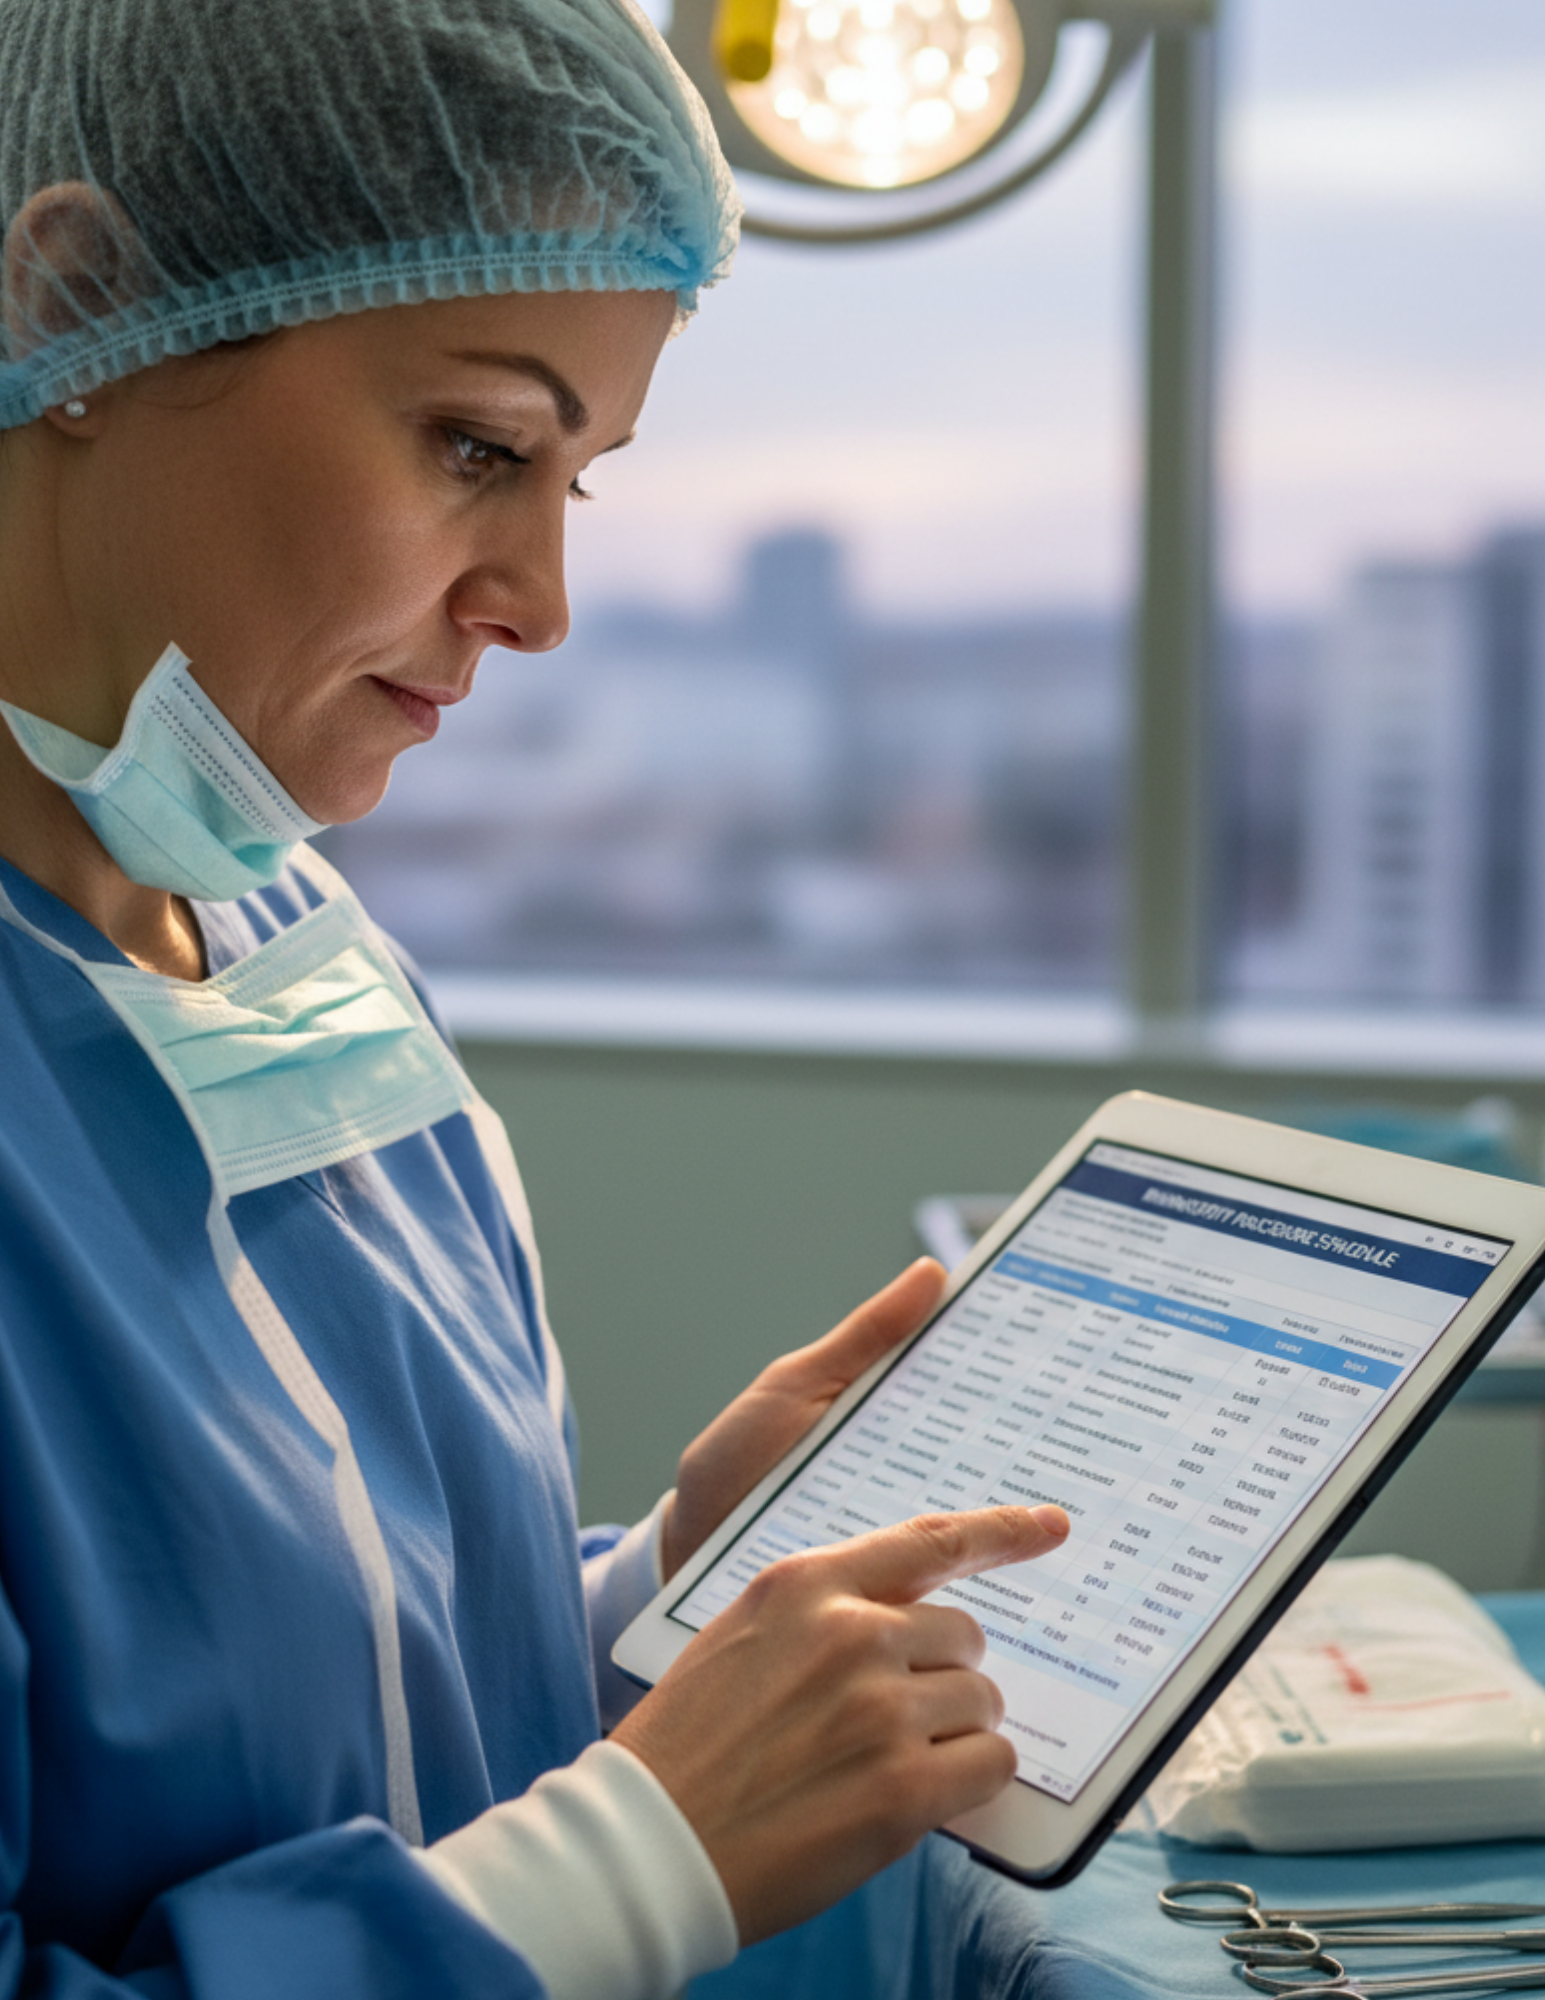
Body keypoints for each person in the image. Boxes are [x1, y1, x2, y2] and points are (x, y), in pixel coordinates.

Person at [0, 1, 1071, 1995]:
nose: (538, 604)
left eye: (571, 481)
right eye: (477, 444)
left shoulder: (292, 945)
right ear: (86, 300)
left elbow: (363, 1727)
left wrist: (673, 1586)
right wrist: (633, 1861)